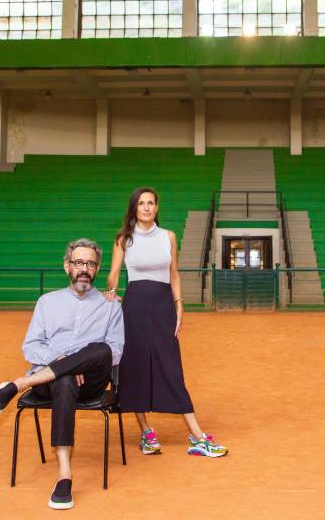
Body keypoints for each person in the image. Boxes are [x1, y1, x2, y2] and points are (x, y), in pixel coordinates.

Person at [0, 238, 124, 511]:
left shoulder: (110, 305)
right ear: (66, 266)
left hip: (91, 383)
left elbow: (115, 352)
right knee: (64, 378)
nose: (85, 269)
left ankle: (18, 384)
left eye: (91, 264)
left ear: (97, 269)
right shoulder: (47, 302)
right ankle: (64, 475)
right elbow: (31, 346)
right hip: (51, 382)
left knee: (100, 349)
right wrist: (60, 362)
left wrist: (78, 364)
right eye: (79, 263)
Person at [103, 187, 227, 458]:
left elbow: (174, 274)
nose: (146, 208)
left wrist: (179, 304)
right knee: (133, 367)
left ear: (157, 207)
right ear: (134, 208)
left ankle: (197, 437)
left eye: (150, 203)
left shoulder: (168, 236)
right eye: (141, 203)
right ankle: (146, 432)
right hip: (133, 306)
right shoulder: (124, 238)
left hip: (162, 306)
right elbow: (113, 274)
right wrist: (111, 290)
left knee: (171, 367)